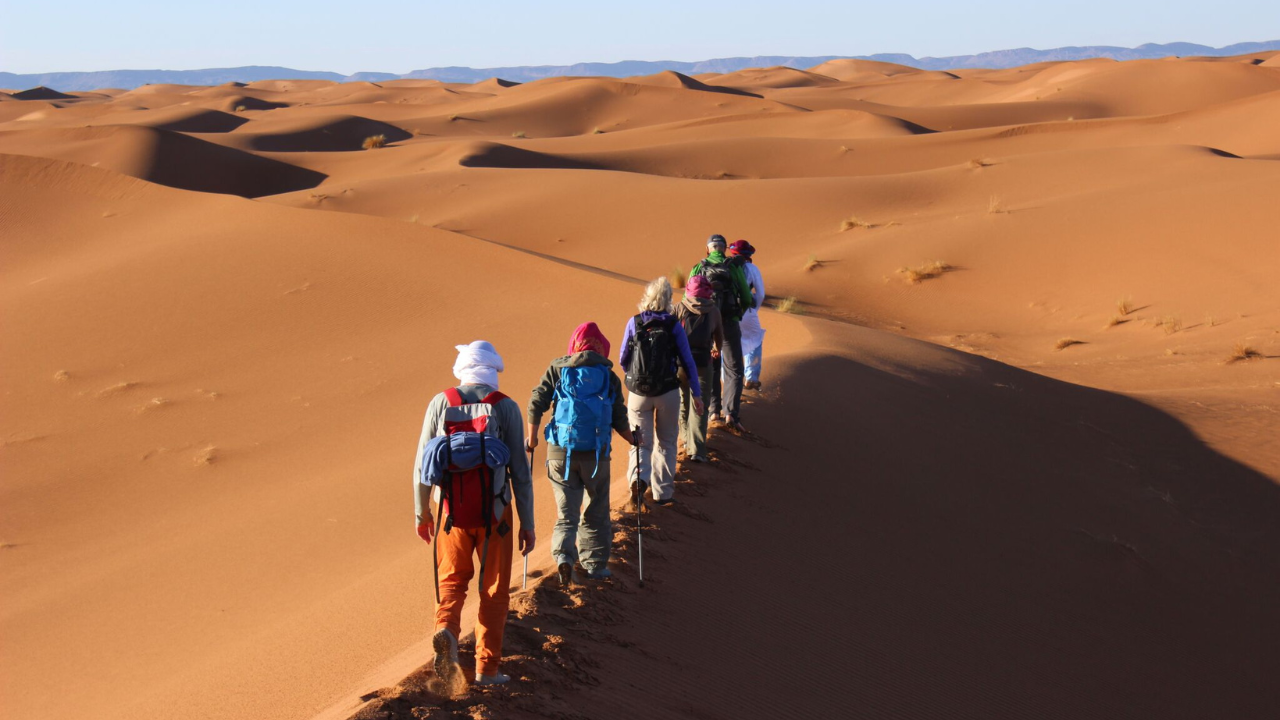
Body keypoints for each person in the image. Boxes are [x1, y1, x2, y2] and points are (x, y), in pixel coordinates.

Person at [412, 341, 536, 688]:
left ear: (463, 368)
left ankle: (446, 631)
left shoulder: (440, 403)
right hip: (496, 515)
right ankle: (487, 670)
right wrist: (527, 523)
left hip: (450, 513)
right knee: (494, 590)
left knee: (451, 583)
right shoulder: (505, 406)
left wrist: (422, 513)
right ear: (492, 369)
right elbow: (520, 473)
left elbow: (421, 466)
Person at [526, 322, 635, 585]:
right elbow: (619, 417)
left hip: (560, 452)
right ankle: (595, 565)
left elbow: (536, 402)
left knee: (567, 514)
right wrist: (634, 440)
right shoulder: (608, 375)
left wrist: (532, 438)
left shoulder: (558, 368)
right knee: (596, 511)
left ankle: (564, 557)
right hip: (596, 455)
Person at [620, 277, 704, 506]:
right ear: (668, 300)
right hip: (667, 391)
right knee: (666, 442)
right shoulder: (673, 325)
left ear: (647, 297)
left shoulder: (634, 322)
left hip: (638, 393)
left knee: (640, 442)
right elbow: (687, 361)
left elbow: (623, 358)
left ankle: (638, 479)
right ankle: (663, 493)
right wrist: (697, 394)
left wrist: (635, 378)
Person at [690, 234, 753, 431]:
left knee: (712, 366)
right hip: (729, 324)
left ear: (707, 249)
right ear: (724, 249)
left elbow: (688, 298)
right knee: (734, 369)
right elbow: (746, 297)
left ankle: (714, 411)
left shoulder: (699, 267)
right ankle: (731, 414)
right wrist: (737, 314)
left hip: (707, 325)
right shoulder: (733, 267)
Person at [673, 275, 723, 463]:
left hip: (680, 363)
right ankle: (698, 450)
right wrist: (716, 349)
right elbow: (719, 337)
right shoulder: (713, 311)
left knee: (683, 400)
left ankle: (685, 438)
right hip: (703, 363)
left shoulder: (679, 308)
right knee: (701, 404)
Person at [728, 240, 766, 390]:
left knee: (727, 344)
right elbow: (760, 294)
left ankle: (727, 381)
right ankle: (751, 377)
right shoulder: (752, 268)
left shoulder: (725, 266)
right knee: (754, 340)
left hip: (725, 311)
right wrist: (754, 309)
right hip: (746, 310)